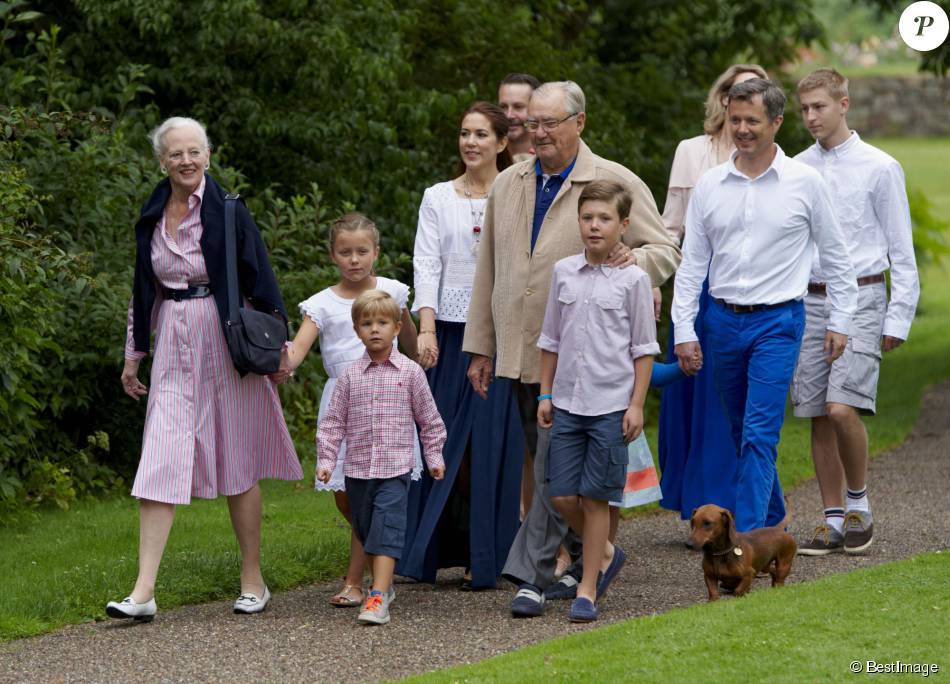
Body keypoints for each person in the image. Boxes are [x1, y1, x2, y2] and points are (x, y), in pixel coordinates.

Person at [463, 80, 681, 617]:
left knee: (553, 474)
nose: (536, 133)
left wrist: (634, 264)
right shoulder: (510, 181)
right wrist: (481, 347)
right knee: (545, 474)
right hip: (523, 347)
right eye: (530, 124)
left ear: (579, 123)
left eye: (548, 124)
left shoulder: (613, 180)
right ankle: (596, 554)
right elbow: (488, 268)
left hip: (586, 361)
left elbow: (665, 248)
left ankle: (532, 576)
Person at [108, 117, 303, 622]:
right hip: (173, 341)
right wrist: (134, 355)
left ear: (208, 157)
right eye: (176, 154)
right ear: (162, 162)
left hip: (225, 342)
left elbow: (262, 278)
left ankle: (253, 580)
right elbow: (143, 289)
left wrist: (278, 348)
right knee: (158, 458)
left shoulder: (229, 211)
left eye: (195, 151)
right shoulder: (152, 214)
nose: (186, 161)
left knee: (237, 459)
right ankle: (143, 592)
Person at [671, 78, 857, 533]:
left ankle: (749, 540)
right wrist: (683, 330)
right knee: (740, 432)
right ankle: (772, 515)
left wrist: (841, 320)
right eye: (735, 119)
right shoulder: (711, 185)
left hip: (778, 322)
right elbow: (693, 263)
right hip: (721, 321)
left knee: (758, 433)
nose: (742, 129)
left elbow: (836, 257)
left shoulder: (804, 182)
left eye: (752, 120)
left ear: (775, 122)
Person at [791, 69, 919, 555]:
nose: (810, 117)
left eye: (819, 107)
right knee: (819, 413)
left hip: (864, 296)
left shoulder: (880, 167)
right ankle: (831, 518)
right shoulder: (797, 167)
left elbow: (900, 249)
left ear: (843, 104)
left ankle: (858, 502)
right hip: (809, 300)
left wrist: (898, 315)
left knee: (844, 408)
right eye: (804, 109)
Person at [398, 102, 524, 590]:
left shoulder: (516, 193)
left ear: (501, 143)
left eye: (481, 134)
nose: (470, 142)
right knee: (439, 440)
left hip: (499, 334)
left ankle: (487, 555)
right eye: (464, 133)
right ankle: (425, 551)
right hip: (446, 336)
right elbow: (426, 263)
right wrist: (425, 329)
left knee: (490, 446)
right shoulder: (437, 197)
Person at [273, 212, 420, 608]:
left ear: (376, 252)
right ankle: (377, 566)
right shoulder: (322, 303)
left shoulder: (392, 291)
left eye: (362, 251)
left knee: (375, 492)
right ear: (333, 256)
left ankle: (360, 580)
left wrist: (424, 353)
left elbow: (411, 341)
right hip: (344, 401)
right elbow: (297, 351)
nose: (354, 259)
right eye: (345, 252)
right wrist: (273, 362)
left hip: (388, 399)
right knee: (348, 498)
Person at [538, 180, 658, 622]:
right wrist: (545, 393)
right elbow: (549, 339)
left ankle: (587, 588)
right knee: (560, 492)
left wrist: (636, 404)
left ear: (623, 225)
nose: (594, 226)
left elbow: (644, 349)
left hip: (611, 405)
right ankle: (605, 549)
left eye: (604, 219)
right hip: (566, 400)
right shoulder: (563, 272)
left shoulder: (634, 280)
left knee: (595, 498)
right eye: (587, 218)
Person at [657, 64, 768, 541]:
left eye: (752, 91)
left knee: (733, 405)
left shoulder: (773, 158)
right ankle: (702, 510)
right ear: (721, 97)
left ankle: (738, 512)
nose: (739, 100)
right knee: (698, 400)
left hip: (754, 290)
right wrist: (653, 291)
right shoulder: (692, 152)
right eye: (733, 90)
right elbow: (669, 229)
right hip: (698, 289)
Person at [317, 290, 447, 625]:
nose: (375, 329)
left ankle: (377, 596)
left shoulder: (410, 373)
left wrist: (434, 455)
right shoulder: (349, 377)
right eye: (367, 323)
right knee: (367, 527)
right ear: (356, 329)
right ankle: (384, 587)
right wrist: (327, 461)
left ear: (397, 326)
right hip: (358, 471)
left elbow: (429, 419)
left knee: (387, 527)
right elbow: (333, 423)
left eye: (383, 322)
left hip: (395, 468)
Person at [498, 72, 540, 161]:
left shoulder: (552, 158)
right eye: (503, 107)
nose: (509, 115)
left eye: (518, 107)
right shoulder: (489, 157)